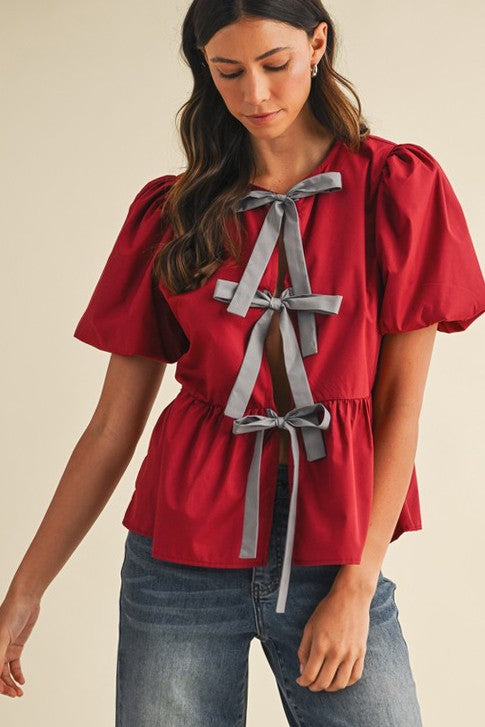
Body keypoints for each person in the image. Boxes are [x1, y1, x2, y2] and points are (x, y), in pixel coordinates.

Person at [1, 1, 484, 724]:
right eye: (228, 72)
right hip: (180, 556)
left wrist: (356, 585)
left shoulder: (394, 187)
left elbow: (397, 408)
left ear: (317, 45)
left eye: (274, 64)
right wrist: (26, 589)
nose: (254, 93)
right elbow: (110, 427)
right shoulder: (171, 212)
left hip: (333, 546)